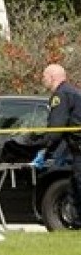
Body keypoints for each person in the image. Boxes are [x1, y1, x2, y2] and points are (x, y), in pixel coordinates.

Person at [36, 64, 81, 229]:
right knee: (74, 187)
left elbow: (56, 129)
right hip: (75, 148)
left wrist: (45, 150)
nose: (42, 80)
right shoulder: (74, 92)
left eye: (44, 76)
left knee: (78, 185)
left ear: (52, 77)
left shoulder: (61, 95)